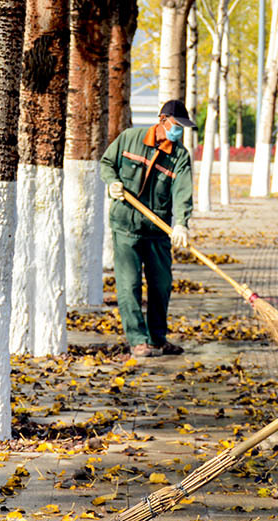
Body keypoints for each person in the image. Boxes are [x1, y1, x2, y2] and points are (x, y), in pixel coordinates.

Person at [101, 100, 196, 358]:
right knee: (129, 284)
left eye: (182, 128)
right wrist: (112, 183)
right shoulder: (130, 139)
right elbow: (106, 164)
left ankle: (157, 338)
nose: (179, 132)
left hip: (157, 230)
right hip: (125, 228)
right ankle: (137, 340)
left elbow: (183, 191)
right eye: (177, 126)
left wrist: (181, 224)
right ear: (163, 120)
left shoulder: (179, 156)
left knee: (161, 284)